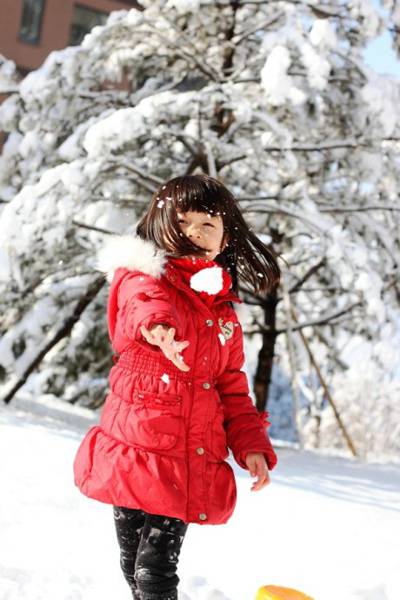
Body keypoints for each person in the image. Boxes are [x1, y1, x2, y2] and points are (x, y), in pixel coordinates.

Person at [73, 173, 281, 600]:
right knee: (133, 566)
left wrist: (252, 445)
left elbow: (233, 387)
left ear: (224, 240)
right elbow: (143, 305)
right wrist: (159, 330)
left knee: (155, 571)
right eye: (183, 222)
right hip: (133, 449)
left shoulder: (222, 313)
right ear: (161, 224)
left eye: (208, 225)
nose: (193, 233)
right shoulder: (144, 277)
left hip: (184, 456)